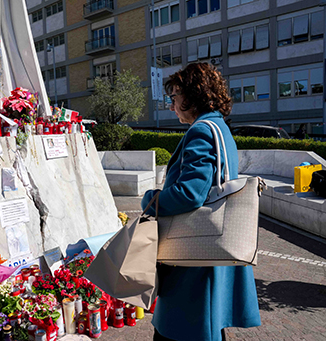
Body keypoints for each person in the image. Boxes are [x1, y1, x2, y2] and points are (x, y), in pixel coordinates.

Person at [141, 63, 261, 341]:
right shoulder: (220, 128)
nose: (172, 105)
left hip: (191, 258)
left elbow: (190, 193)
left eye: (174, 97)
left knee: (180, 329)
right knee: (206, 327)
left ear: (192, 95)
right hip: (210, 248)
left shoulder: (201, 131)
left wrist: (151, 200)